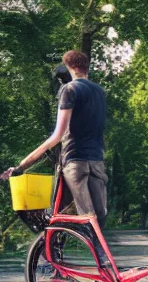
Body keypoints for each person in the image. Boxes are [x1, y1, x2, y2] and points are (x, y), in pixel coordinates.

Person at [1, 50, 108, 259]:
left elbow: (57, 136)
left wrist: (22, 165)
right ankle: (97, 257)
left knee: (69, 216)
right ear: (87, 67)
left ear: (68, 67)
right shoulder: (100, 92)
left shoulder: (70, 89)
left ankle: (52, 257)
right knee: (97, 215)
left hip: (74, 162)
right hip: (96, 161)